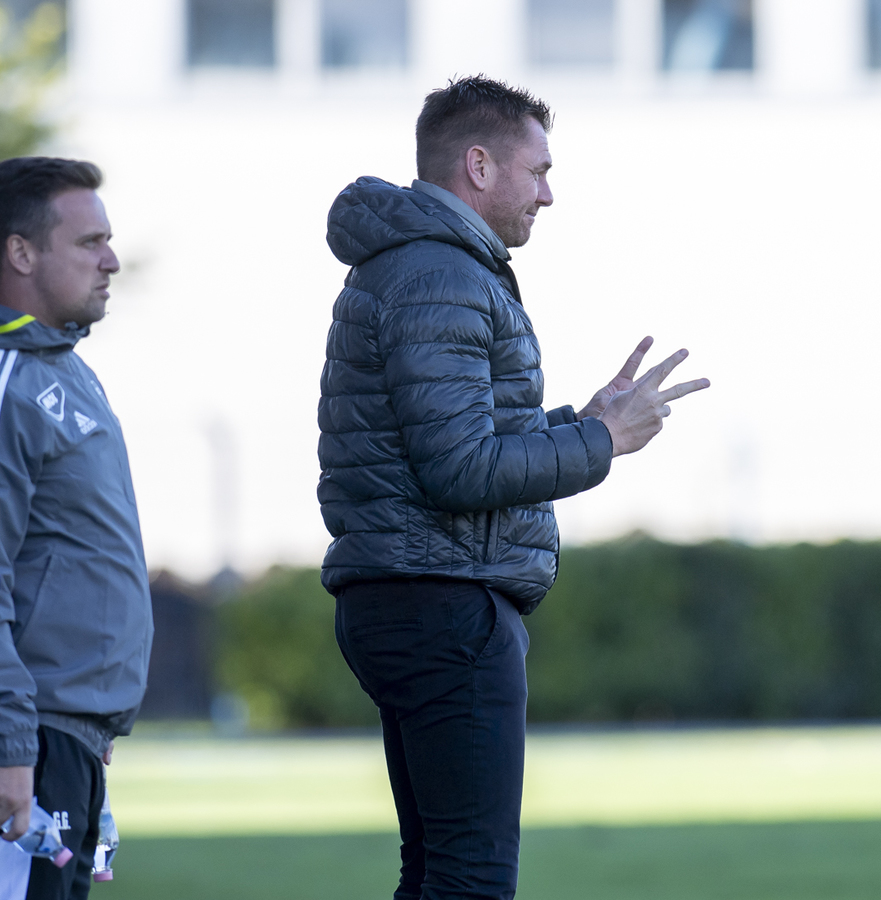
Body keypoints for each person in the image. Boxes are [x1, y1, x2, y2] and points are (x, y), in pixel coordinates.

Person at [318, 75, 709, 900]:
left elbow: (456, 439)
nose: (549, 194)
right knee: (471, 880)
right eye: (538, 171)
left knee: (435, 872)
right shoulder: (441, 274)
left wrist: (581, 419)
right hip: (444, 602)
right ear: (479, 165)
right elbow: (460, 470)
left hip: (408, 594)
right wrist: (603, 442)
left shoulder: (415, 265)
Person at [0, 157, 153, 900]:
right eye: (89, 242)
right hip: (14, 733)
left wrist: (92, 723)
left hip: (59, 729)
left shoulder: (63, 370)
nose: (111, 260)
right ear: (20, 252)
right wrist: (11, 743)